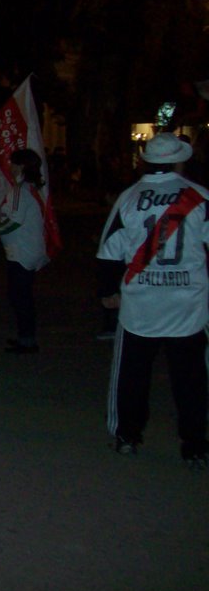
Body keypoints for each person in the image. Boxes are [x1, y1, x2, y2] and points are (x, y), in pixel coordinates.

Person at [97, 132, 209, 468]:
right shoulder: (200, 196)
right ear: (180, 160)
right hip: (188, 303)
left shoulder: (129, 198)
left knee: (132, 374)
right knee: (191, 378)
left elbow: (108, 251)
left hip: (141, 303)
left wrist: (107, 292)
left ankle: (127, 436)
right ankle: (195, 445)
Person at [0, 148, 49, 353]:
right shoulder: (31, 188)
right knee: (23, 296)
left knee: (20, 297)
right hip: (29, 248)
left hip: (21, 251)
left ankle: (27, 340)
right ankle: (26, 337)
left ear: (20, 166)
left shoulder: (20, 190)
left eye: (13, 162)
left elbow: (14, 220)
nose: (9, 165)